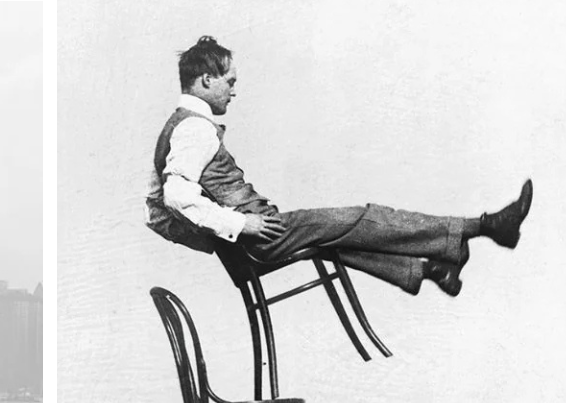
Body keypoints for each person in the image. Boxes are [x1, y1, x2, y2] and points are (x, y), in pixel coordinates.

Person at [146, 36, 534, 297]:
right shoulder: (194, 129)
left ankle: (432, 270)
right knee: (364, 218)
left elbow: (155, 208)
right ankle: (484, 227)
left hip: (257, 240)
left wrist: (222, 234)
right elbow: (174, 196)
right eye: (229, 81)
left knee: (339, 236)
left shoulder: (178, 125)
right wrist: (238, 225)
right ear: (206, 79)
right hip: (260, 240)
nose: (235, 89)